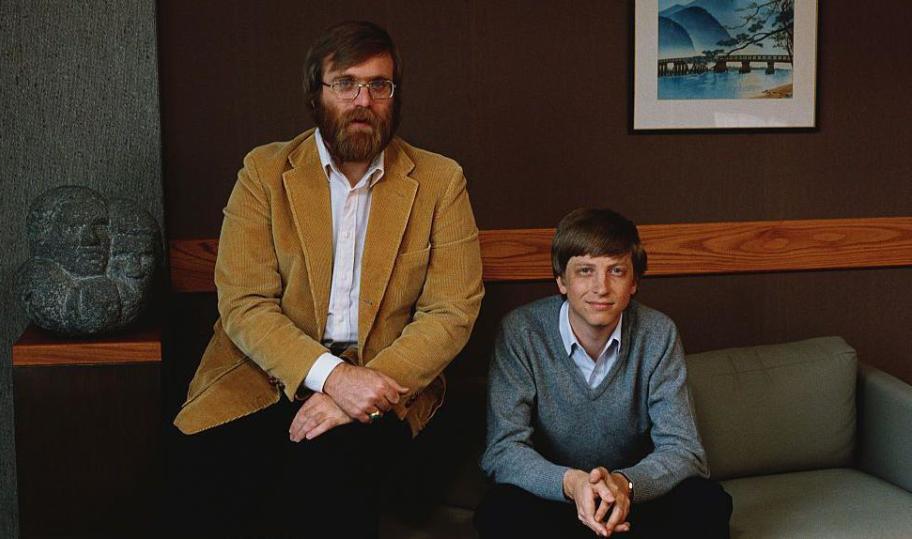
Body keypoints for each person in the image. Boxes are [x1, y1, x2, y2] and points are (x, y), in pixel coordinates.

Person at [169, 21, 484, 538]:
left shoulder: (439, 181)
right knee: (207, 478)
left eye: (379, 85)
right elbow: (245, 302)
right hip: (264, 375)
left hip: (385, 381)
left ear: (394, 95)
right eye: (346, 84)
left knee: (334, 476)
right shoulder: (264, 172)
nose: (363, 99)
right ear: (316, 93)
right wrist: (333, 379)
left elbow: (451, 312)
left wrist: (357, 391)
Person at [475, 208, 731, 538]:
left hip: (631, 497)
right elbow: (503, 450)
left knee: (706, 502)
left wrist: (624, 485)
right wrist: (573, 483)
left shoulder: (658, 333)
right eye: (585, 271)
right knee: (500, 512)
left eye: (616, 271)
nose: (601, 287)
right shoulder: (521, 332)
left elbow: (685, 450)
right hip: (555, 498)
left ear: (634, 282)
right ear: (561, 281)